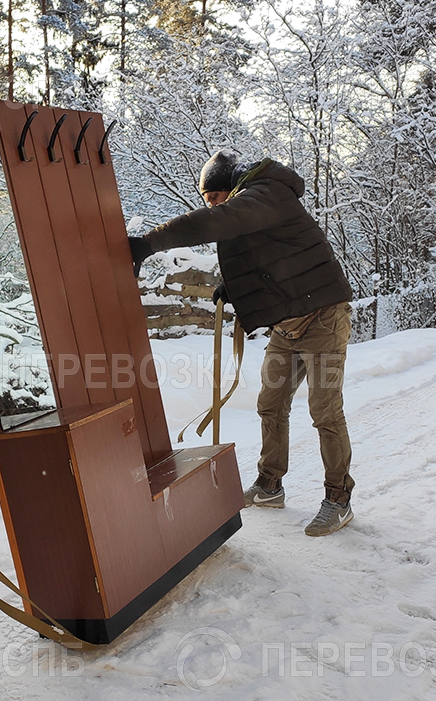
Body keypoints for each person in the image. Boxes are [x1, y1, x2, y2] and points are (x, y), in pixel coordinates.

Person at [128, 150, 356, 536]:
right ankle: (270, 485)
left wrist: (149, 243)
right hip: (288, 326)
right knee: (270, 404)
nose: (214, 207)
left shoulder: (268, 192)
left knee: (325, 411)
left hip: (323, 320)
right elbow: (269, 257)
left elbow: (224, 222)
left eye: (214, 199)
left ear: (228, 187)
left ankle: (338, 498)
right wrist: (235, 288)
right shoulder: (257, 201)